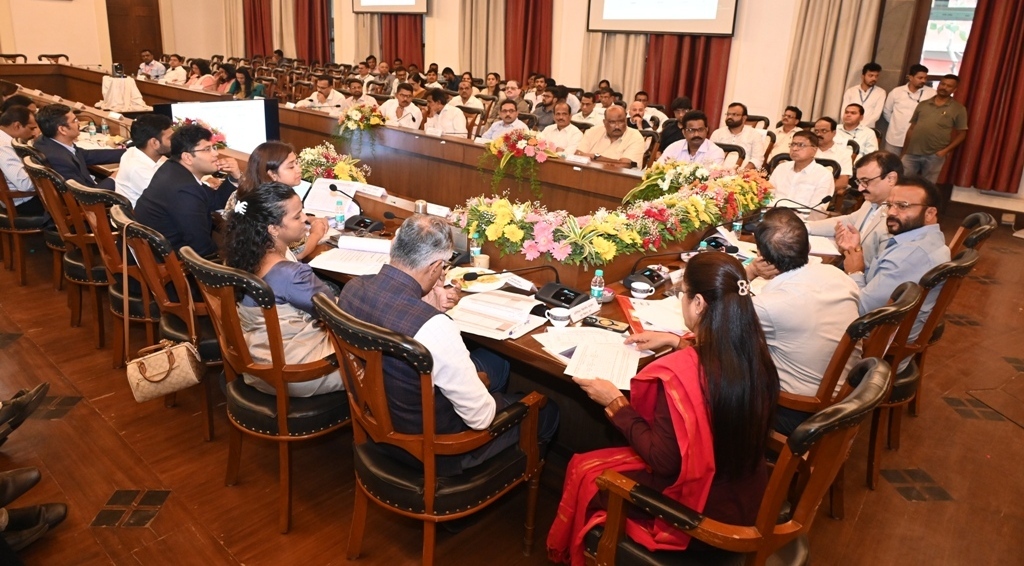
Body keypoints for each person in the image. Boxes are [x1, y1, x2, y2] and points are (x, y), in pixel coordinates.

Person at [548, 252, 779, 564]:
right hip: (744, 494)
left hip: (699, 513)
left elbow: (662, 461)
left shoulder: (681, 374)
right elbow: (718, 369)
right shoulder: (754, 350)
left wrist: (615, 402)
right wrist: (675, 341)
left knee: (584, 472)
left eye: (684, 294)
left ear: (698, 303)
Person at [337, 214, 558, 476]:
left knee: (498, 363)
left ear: (394, 246)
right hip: (435, 450)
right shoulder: (434, 327)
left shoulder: (352, 289)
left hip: (377, 423)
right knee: (547, 409)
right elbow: (482, 419)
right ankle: (520, 477)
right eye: (443, 269)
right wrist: (480, 384)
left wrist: (427, 305)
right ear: (434, 267)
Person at [745, 209, 861, 434]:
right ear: (808, 248)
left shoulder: (768, 307)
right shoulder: (838, 276)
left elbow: (722, 322)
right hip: (843, 398)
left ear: (761, 256)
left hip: (801, 411)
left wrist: (749, 272)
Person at [224, 182, 344, 397]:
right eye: (297, 217)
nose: (306, 219)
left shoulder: (242, 256)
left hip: (259, 361)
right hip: (296, 373)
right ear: (273, 228)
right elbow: (337, 314)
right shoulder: (292, 275)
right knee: (378, 359)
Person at [836, 176, 950, 342]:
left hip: (875, 338)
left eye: (902, 206)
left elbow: (861, 309)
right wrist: (855, 251)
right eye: (889, 205)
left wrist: (855, 272)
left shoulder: (911, 255)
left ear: (930, 213)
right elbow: (880, 278)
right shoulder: (925, 239)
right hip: (884, 325)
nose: (891, 212)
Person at [133, 124, 241, 258]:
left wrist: (234, 176)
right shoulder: (185, 190)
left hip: (158, 252)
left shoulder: (172, 169)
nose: (216, 154)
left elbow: (214, 201)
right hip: (173, 262)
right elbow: (202, 248)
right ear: (187, 157)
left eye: (213, 147)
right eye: (207, 149)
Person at [807, 151, 903, 267]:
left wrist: (851, 249)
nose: (860, 188)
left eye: (866, 181)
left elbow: (877, 266)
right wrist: (806, 227)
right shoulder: (871, 201)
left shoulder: (897, 218)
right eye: (859, 182)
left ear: (891, 179)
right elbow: (850, 220)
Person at [32, 104, 125, 190]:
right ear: (62, 130)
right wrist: (117, 177)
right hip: (92, 197)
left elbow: (86, 155)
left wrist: (127, 152)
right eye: (74, 121)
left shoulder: (44, 141)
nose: (79, 123)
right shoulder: (59, 160)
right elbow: (88, 196)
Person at [901, 74, 968, 184]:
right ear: (938, 85)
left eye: (949, 86)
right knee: (903, 183)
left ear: (954, 89)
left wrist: (945, 151)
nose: (944, 87)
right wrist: (905, 151)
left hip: (934, 155)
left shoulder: (958, 109)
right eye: (943, 84)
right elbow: (912, 128)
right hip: (912, 152)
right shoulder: (923, 104)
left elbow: (962, 134)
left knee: (928, 186)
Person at [113, 113, 172, 207]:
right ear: (154, 143)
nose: (174, 141)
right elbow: (172, 199)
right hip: (138, 216)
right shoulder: (138, 169)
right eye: (170, 138)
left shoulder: (135, 151)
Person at [768, 130, 834, 210]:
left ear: (814, 150)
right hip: (773, 213)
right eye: (793, 144)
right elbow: (768, 195)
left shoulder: (824, 175)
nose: (794, 149)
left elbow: (817, 209)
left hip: (801, 216)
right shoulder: (781, 168)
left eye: (801, 145)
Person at [882, 64, 935, 155]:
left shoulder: (932, 93)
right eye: (920, 78)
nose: (923, 81)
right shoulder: (896, 92)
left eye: (925, 78)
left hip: (917, 140)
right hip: (895, 137)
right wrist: (896, 123)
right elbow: (887, 111)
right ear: (911, 77)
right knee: (889, 161)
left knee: (910, 164)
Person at [0, 106, 44, 216]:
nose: (34, 133)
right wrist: (47, 177)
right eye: (31, 128)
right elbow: (25, 184)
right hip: (24, 203)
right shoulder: (3, 146)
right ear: (17, 126)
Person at [574, 105, 646, 168]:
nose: (617, 126)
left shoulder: (635, 137)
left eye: (621, 121)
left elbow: (624, 165)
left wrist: (595, 157)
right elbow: (578, 156)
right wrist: (613, 162)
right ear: (604, 122)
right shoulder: (593, 131)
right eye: (612, 122)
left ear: (625, 120)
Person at [657, 110, 725, 165]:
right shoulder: (674, 148)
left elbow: (712, 176)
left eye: (700, 130)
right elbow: (658, 169)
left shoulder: (715, 152)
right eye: (691, 130)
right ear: (684, 132)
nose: (696, 134)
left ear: (706, 130)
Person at [710, 102, 765, 170]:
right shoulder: (717, 133)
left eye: (734, 114)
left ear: (744, 118)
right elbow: (709, 156)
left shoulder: (754, 134)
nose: (729, 117)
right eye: (728, 114)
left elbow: (757, 159)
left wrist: (742, 172)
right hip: (718, 171)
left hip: (743, 173)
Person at [811, 117, 852, 192]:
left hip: (827, 192)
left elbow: (843, 182)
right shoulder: (807, 149)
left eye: (824, 131)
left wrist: (821, 190)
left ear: (834, 133)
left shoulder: (843, 153)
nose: (819, 134)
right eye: (816, 131)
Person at [841, 62, 886, 128]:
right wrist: (851, 124)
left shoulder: (880, 92)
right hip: (849, 126)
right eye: (871, 76)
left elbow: (876, 114)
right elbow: (844, 110)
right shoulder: (851, 91)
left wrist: (860, 126)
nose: (874, 79)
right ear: (863, 76)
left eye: (876, 76)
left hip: (867, 128)